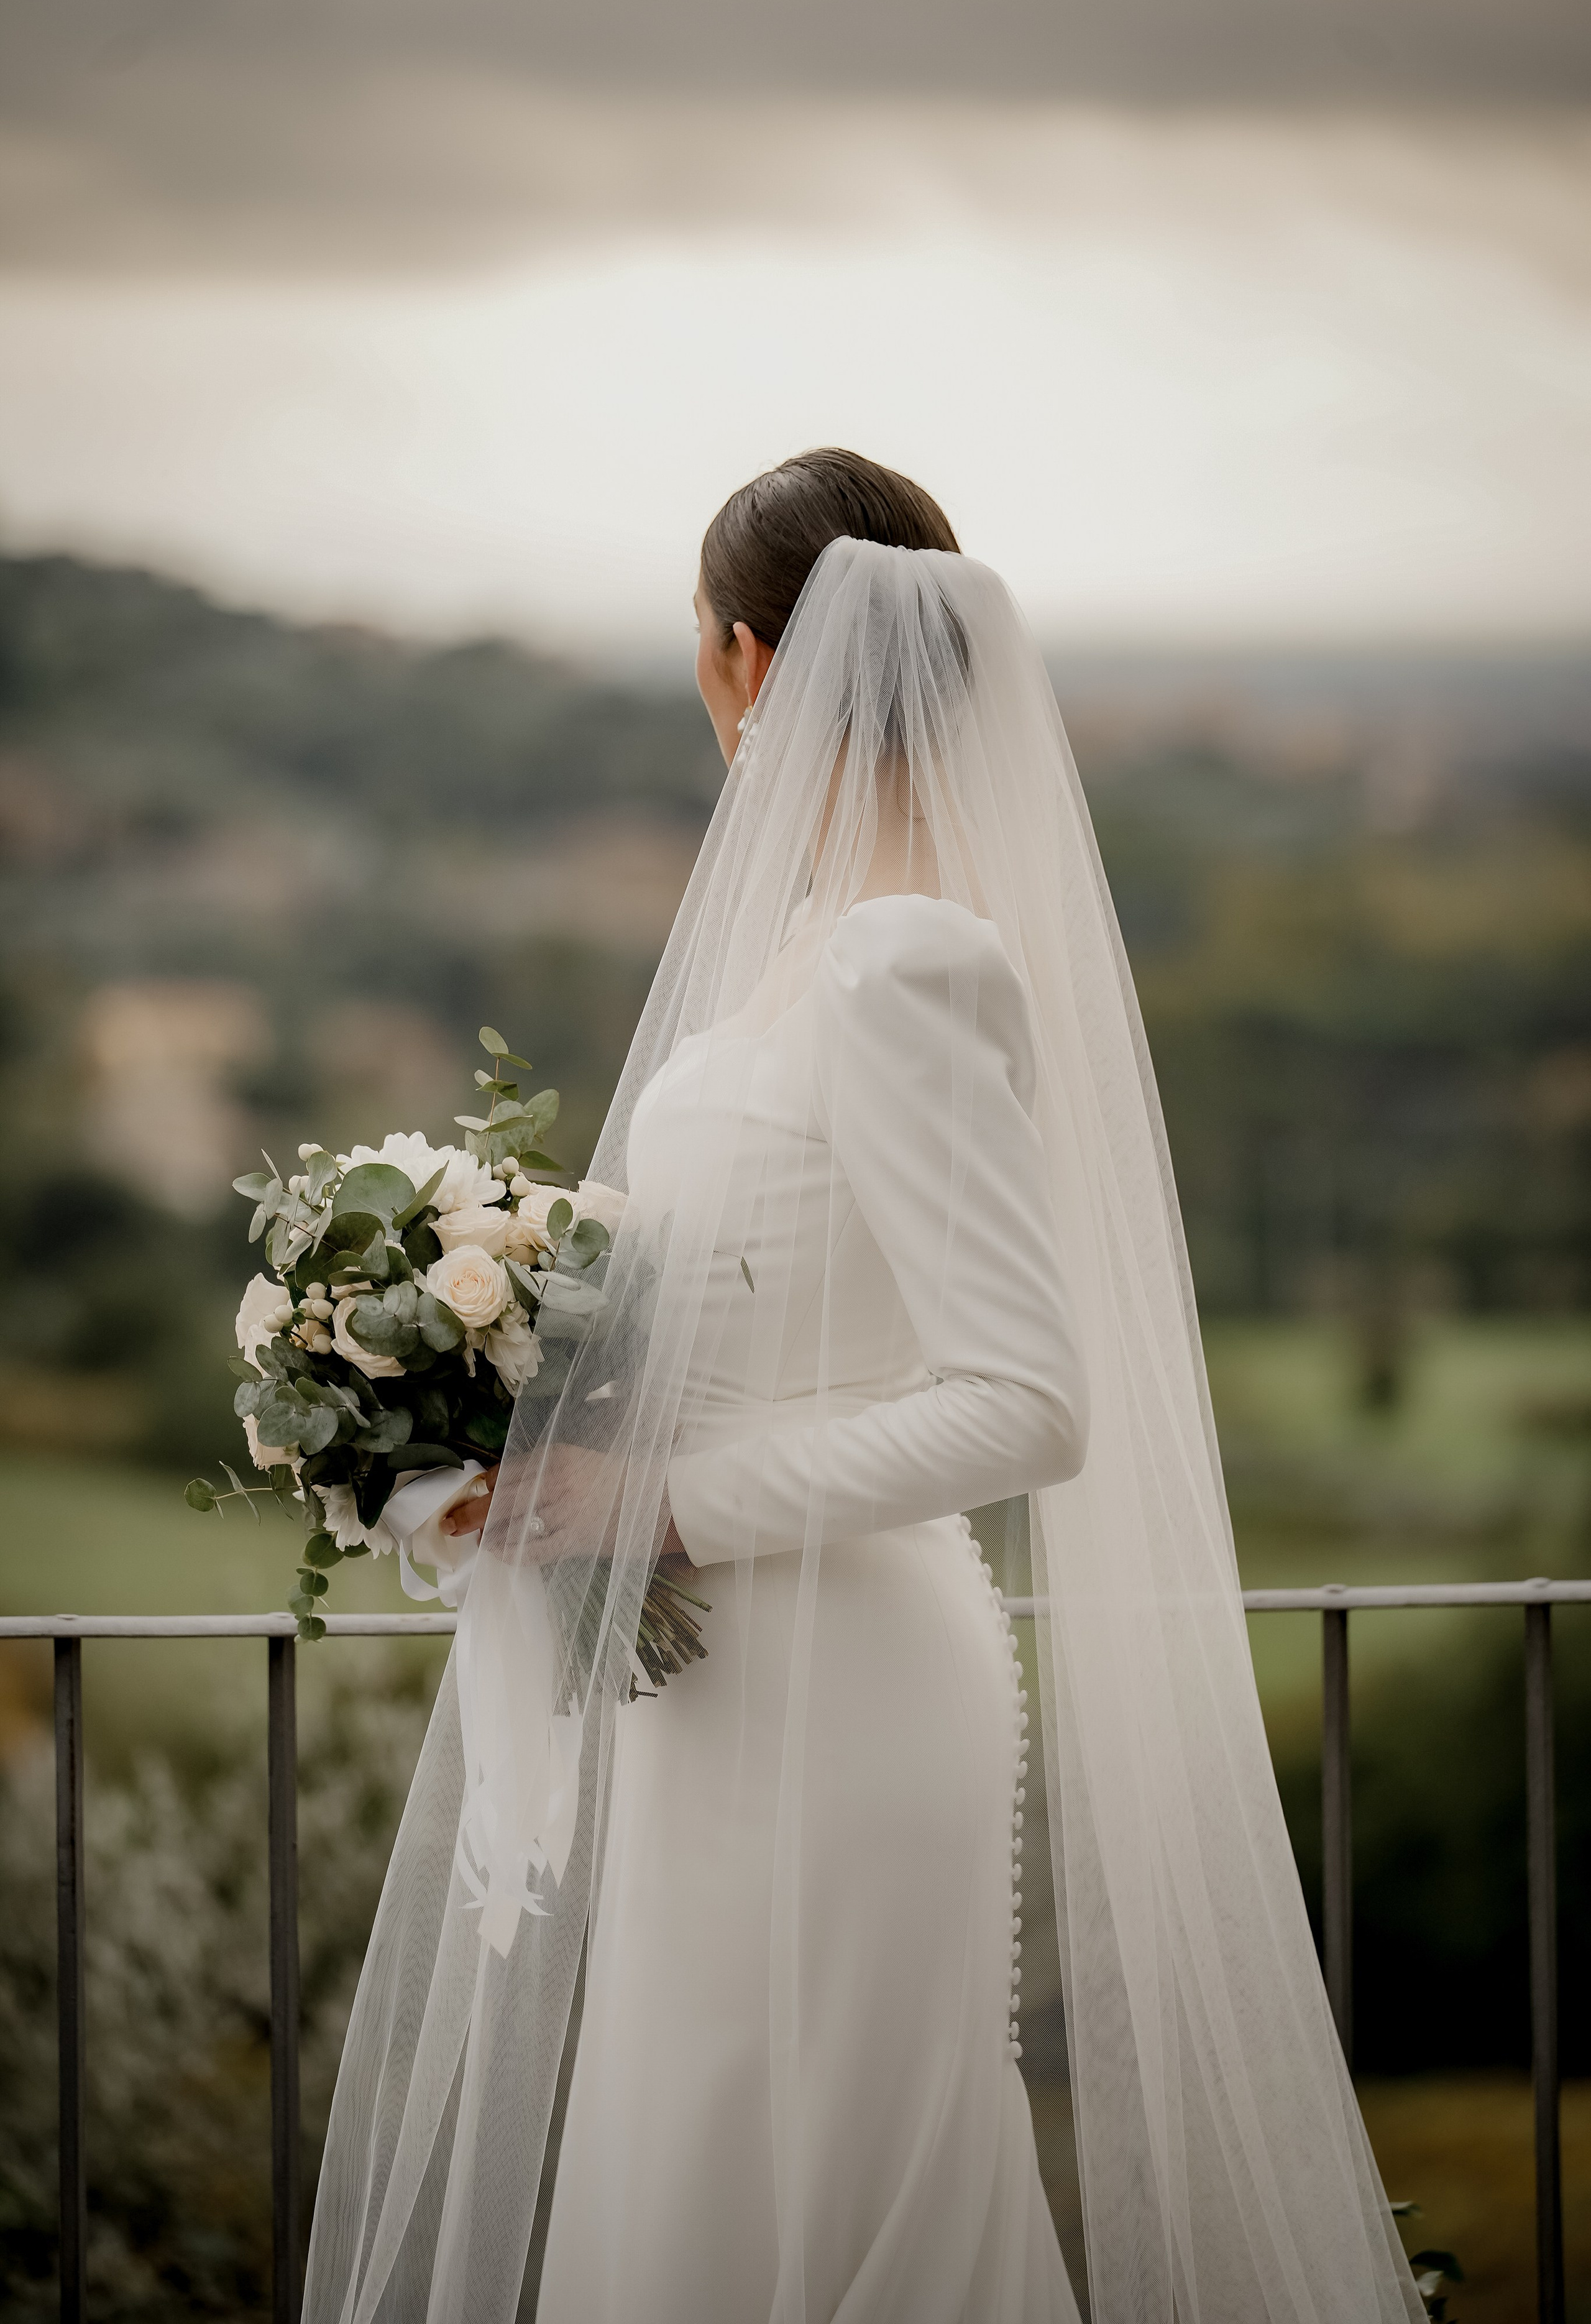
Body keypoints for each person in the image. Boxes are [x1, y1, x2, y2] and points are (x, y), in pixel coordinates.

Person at [306, 452, 1423, 2323]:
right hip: (716, 1685)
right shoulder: (808, 959)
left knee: (815, 2187)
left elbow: (1024, 1400)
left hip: (842, 1686)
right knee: (705, 2175)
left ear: (747, 663)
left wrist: (660, 1502)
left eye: (697, 647)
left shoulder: (906, 966)